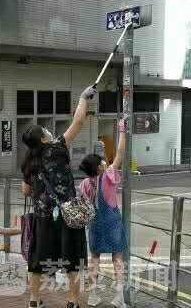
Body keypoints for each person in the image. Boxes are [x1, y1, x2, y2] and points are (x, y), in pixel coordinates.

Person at [21, 85, 97, 308]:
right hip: (68, 215)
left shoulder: (28, 162)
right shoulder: (56, 149)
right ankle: (72, 301)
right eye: (45, 131)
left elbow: (26, 191)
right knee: (72, 258)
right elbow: (78, 122)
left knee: (38, 258)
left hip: (43, 216)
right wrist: (84, 98)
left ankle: (34, 300)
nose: (48, 132)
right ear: (44, 140)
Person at [80, 120, 128, 308]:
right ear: (99, 167)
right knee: (118, 257)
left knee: (95, 258)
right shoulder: (108, 175)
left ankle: (92, 295)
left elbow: (85, 204)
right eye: (100, 159)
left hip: (94, 223)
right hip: (113, 221)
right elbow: (121, 153)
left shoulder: (85, 183)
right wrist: (122, 130)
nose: (103, 159)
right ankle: (119, 298)